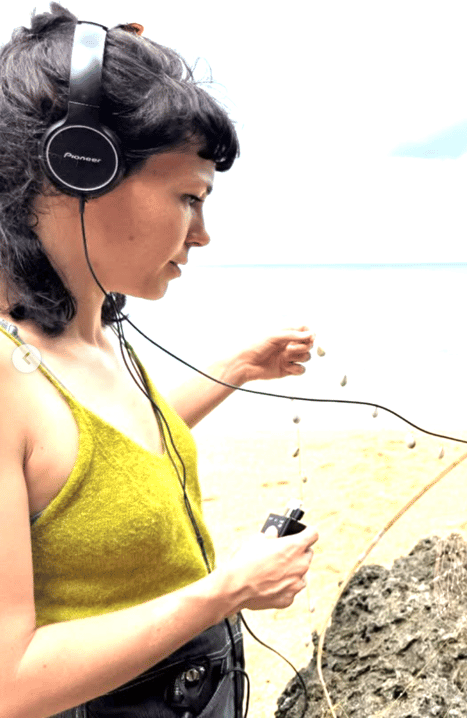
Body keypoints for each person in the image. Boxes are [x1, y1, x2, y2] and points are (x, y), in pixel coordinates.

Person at [0, 4, 320, 717]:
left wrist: (235, 368)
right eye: (188, 198)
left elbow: (94, 459)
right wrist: (226, 591)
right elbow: (9, 683)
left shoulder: (95, 331)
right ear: (79, 169)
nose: (202, 235)